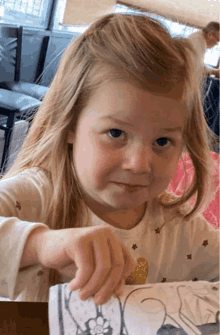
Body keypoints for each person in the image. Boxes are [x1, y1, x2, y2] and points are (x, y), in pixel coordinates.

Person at [0, 13, 219, 305]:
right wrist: (39, 245)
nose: (139, 164)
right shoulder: (33, 197)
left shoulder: (181, 229)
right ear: (70, 126)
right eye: (116, 133)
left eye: (162, 141)